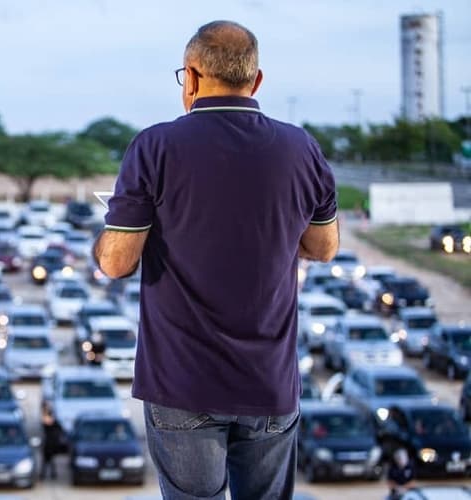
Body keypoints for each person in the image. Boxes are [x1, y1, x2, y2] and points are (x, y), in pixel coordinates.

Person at [93, 20, 339, 500]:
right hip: (269, 382)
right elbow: (324, 247)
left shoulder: (156, 146)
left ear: (191, 75)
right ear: (257, 81)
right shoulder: (301, 148)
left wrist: (105, 240)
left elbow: (116, 263)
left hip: (182, 385)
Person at [40, 403, 65, 480]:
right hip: (47, 443)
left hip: (51, 443)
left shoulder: (54, 422)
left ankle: (50, 474)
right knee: (46, 460)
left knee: (50, 460)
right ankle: (45, 474)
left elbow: (61, 430)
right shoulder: (45, 421)